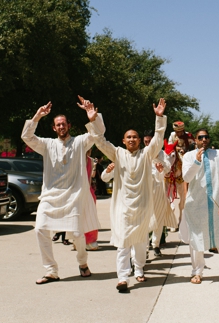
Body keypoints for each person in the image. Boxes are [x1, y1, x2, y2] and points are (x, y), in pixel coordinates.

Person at [87, 98, 167, 294]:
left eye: (135, 137)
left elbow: (157, 141)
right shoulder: (117, 154)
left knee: (140, 243)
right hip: (122, 208)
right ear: (123, 141)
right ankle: (122, 277)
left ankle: (139, 269)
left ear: (139, 141)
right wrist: (94, 120)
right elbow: (100, 141)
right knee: (123, 243)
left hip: (142, 207)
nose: (131, 139)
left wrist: (159, 118)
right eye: (128, 137)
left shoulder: (147, 155)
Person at [21, 96, 100, 285]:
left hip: (74, 196)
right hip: (50, 196)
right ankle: (51, 270)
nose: (61, 127)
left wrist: (92, 118)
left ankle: (82, 263)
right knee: (40, 229)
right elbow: (27, 137)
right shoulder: (47, 145)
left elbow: (97, 135)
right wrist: (37, 117)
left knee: (78, 234)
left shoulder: (80, 142)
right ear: (54, 128)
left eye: (64, 124)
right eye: (58, 125)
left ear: (69, 126)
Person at [181, 129, 219, 284]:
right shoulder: (188, 156)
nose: (204, 139)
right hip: (195, 205)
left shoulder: (218, 155)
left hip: (216, 204)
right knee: (197, 239)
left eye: (206, 137)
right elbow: (186, 177)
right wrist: (196, 161)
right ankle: (197, 272)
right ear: (195, 140)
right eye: (200, 137)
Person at [149, 143, 178, 257]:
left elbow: (168, 168)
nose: (148, 144)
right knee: (146, 220)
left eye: (149, 141)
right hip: (146, 191)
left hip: (160, 191)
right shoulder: (143, 153)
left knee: (159, 219)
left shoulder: (162, 154)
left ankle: (155, 245)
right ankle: (145, 247)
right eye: (146, 142)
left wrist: (160, 164)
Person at [84, 148, 99, 251]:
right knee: (80, 216)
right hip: (79, 190)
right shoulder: (76, 159)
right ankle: (80, 240)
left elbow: (93, 175)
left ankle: (90, 240)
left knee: (90, 215)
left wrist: (94, 166)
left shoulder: (91, 160)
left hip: (88, 190)